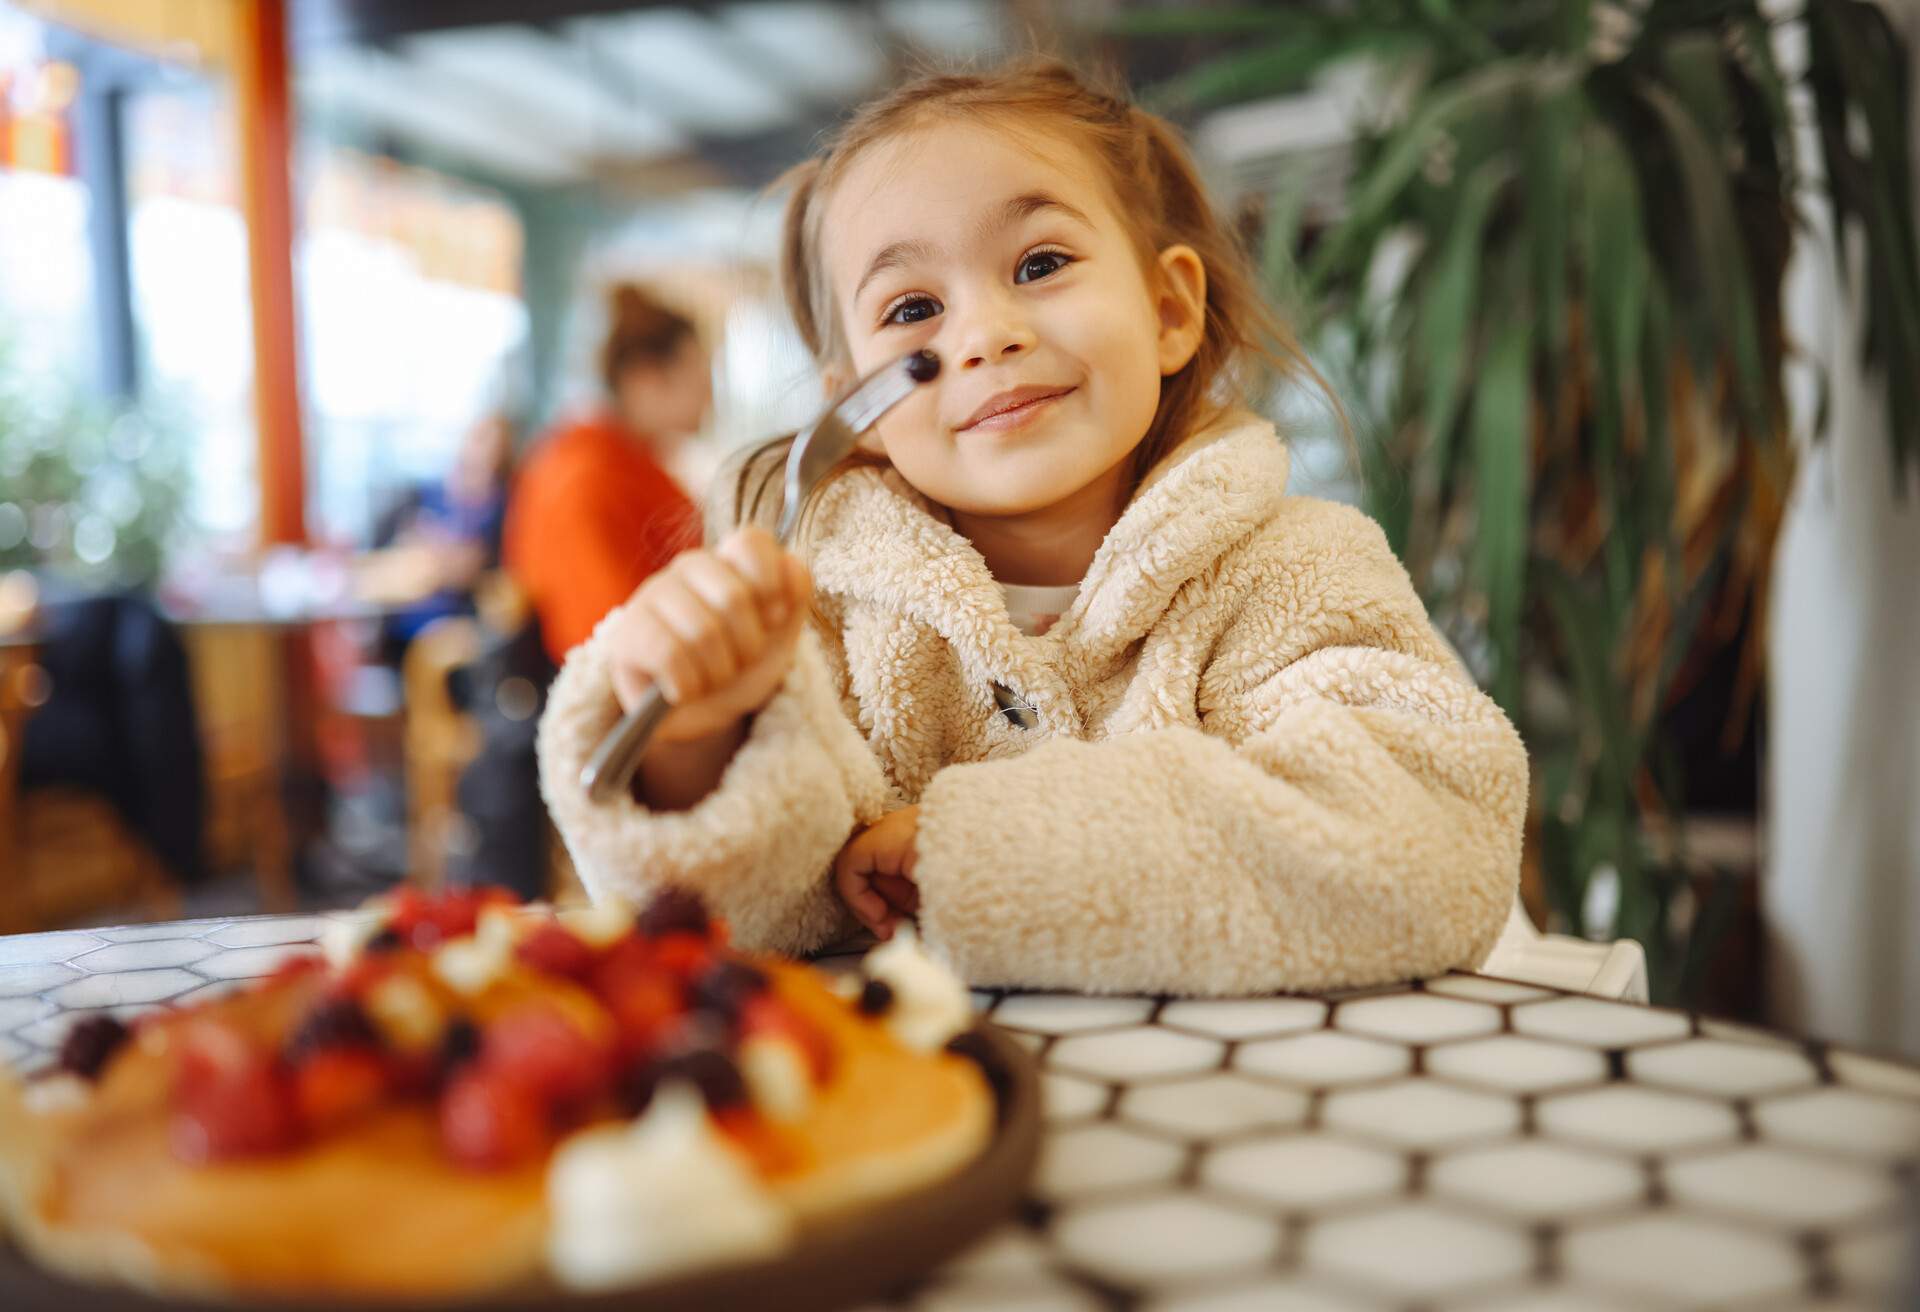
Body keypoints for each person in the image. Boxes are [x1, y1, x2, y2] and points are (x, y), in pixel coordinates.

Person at [534, 60, 1528, 996]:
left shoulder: (1297, 568)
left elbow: (1425, 840)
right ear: (859, 408)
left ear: (1170, 309)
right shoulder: (821, 625)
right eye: (914, 305)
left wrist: (986, 853)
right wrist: (700, 738)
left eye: (1041, 261)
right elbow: (736, 920)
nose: (982, 335)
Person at [504, 285, 710, 666]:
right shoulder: (589, 478)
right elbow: (605, 639)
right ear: (646, 378)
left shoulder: (608, 460)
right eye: (699, 375)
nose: (709, 397)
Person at [370, 409, 514, 664]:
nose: (485, 450)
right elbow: (398, 541)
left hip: (457, 621)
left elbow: (469, 567)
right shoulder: (426, 491)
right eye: (479, 438)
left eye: (495, 443)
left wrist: (436, 553)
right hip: (402, 614)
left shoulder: (499, 507)